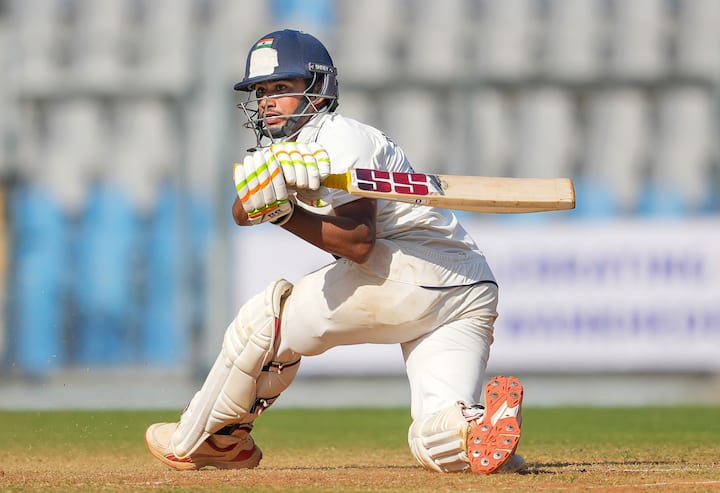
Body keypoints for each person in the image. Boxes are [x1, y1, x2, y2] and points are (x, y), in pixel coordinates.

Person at [145, 29, 525, 475]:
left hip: (412, 268)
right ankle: (476, 428)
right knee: (433, 440)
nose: (267, 101)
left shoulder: (342, 137)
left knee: (269, 318)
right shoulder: (293, 148)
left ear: (318, 90)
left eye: (281, 89)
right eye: (262, 91)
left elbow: (360, 243)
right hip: (468, 288)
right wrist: (271, 187)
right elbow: (241, 212)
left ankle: (207, 438)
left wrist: (285, 213)